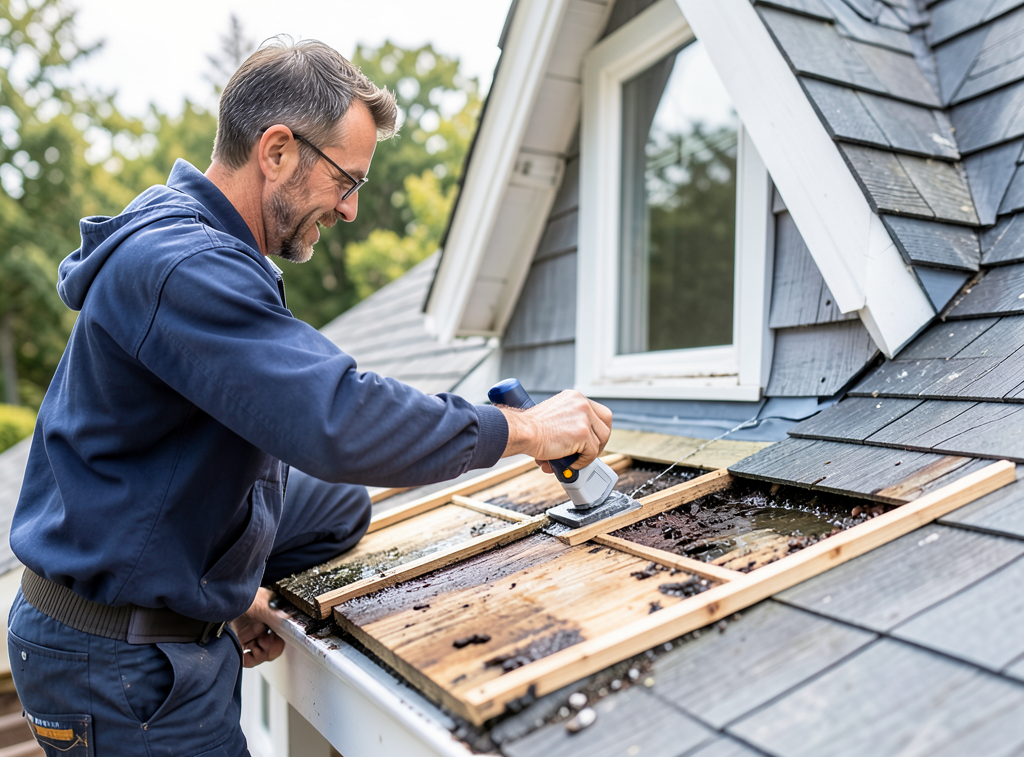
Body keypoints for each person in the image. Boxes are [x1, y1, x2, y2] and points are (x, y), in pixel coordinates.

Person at [7, 38, 613, 757]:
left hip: (150, 602)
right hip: (121, 669)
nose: (351, 209)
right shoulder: (184, 264)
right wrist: (526, 429)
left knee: (337, 505)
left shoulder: (206, 247)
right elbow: (337, 419)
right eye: (345, 181)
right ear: (276, 151)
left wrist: (232, 592)